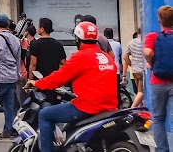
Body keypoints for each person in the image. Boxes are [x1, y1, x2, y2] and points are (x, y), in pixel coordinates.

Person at [30, 21, 118, 152]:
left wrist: (37, 83)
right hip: (109, 107)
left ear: (78, 39)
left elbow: (58, 78)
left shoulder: (80, 57)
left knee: (44, 114)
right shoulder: (106, 57)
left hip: (87, 107)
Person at [144, 5, 173, 152]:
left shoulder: (152, 36)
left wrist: (151, 63)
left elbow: (148, 52)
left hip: (157, 82)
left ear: (159, 20)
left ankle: (162, 149)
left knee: (158, 119)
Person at [125, 30, 146, 108]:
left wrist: (131, 65)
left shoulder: (131, 43)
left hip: (134, 70)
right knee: (141, 92)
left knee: (138, 91)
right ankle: (133, 108)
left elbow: (125, 57)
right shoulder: (144, 42)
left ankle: (139, 109)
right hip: (142, 70)